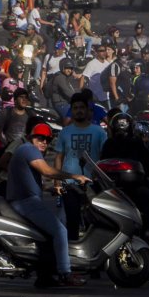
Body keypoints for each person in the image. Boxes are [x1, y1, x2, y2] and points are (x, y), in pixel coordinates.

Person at [7, 121, 91, 288]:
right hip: (26, 203)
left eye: (47, 139)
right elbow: (47, 171)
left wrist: (49, 188)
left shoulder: (26, 151)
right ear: (32, 137)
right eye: (40, 138)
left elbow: (28, 181)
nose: (44, 142)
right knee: (60, 230)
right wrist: (75, 177)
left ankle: (44, 276)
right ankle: (65, 273)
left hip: (25, 200)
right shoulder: (28, 149)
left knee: (46, 236)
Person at [55, 93, 107, 238]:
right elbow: (59, 157)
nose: (78, 110)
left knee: (95, 222)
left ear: (87, 109)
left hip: (93, 184)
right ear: (71, 110)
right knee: (72, 221)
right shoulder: (64, 132)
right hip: (70, 184)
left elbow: (105, 157)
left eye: (81, 108)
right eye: (75, 108)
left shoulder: (99, 132)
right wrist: (57, 181)